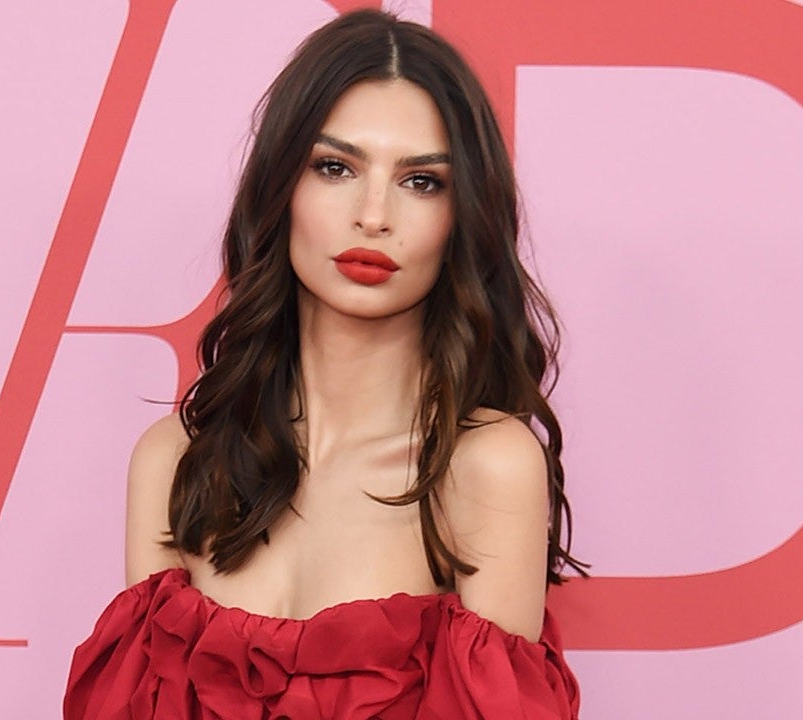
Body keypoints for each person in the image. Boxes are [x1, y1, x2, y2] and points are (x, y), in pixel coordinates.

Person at [64, 9, 585, 719]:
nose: (373, 214)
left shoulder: (486, 467)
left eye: (422, 181)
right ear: (281, 188)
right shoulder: (177, 460)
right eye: (335, 168)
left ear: (463, 215)